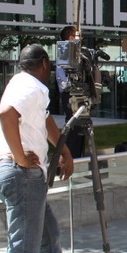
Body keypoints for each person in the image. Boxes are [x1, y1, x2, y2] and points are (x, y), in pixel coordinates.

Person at [0, 44, 75, 253]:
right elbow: (6, 114)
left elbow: (44, 120)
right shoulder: (32, 87)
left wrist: (63, 151)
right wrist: (22, 157)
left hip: (11, 172)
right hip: (20, 175)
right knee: (23, 250)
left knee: (48, 235)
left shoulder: (22, 83)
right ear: (45, 64)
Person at [55, 25, 85, 158]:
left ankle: (78, 154)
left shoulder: (77, 54)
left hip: (77, 92)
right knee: (73, 126)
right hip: (69, 95)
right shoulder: (64, 54)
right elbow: (63, 78)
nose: (81, 38)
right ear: (71, 38)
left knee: (81, 126)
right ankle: (69, 155)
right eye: (78, 36)